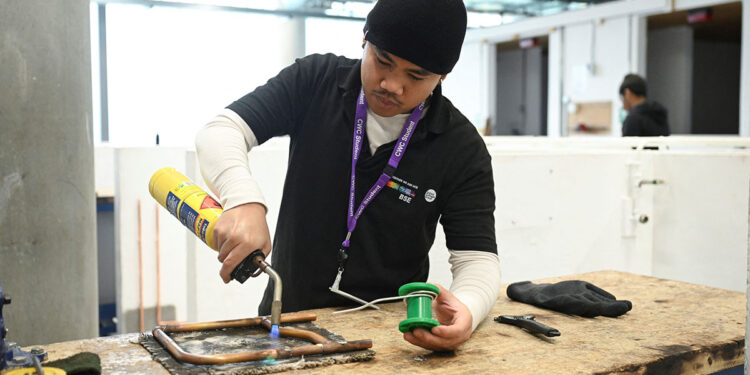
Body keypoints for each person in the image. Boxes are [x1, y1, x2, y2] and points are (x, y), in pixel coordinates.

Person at [195, 0, 501, 352]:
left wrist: (468, 308)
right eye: (382, 61)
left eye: (415, 76)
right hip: (287, 325)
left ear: (443, 75)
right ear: (364, 39)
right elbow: (222, 130)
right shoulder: (315, 81)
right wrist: (243, 199)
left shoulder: (460, 147)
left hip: (391, 343)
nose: (392, 85)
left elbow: (477, 259)